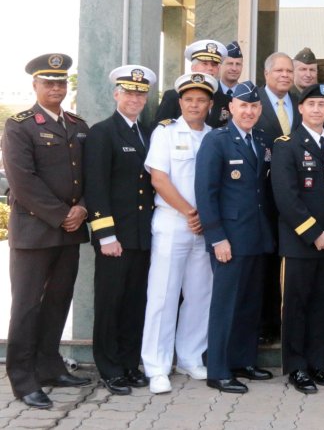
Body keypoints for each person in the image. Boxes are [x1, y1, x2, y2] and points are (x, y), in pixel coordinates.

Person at [3, 53, 91, 409]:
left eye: (60, 82)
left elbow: (89, 174)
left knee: (57, 303)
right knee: (26, 307)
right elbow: (22, 181)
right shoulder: (20, 125)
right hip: (35, 232)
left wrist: (82, 207)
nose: (55, 88)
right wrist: (62, 215)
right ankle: (23, 380)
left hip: (69, 232)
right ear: (36, 85)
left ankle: (50, 366)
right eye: (48, 82)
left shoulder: (78, 125)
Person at [195, 81, 276, 394]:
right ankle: (218, 369)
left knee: (249, 303)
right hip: (229, 238)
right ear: (230, 109)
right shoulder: (217, 141)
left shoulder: (261, 139)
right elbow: (206, 192)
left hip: (256, 236)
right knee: (225, 305)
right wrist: (217, 238)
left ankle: (243, 360)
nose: (250, 111)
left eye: (254, 106)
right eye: (244, 106)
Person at [271, 84, 324, 394]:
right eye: (311, 104)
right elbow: (286, 197)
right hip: (300, 242)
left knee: (323, 305)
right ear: (301, 110)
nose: (317, 109)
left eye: (322, 104)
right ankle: (296, 367)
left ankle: (318, 363)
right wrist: (315, 234)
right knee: (296, 305)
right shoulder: (287, 144)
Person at [141, 73, 218, 394]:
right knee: (163, 295)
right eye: (189, 100)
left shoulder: (216, 136)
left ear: (210, 105)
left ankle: (189, 356)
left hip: (206, 227)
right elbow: (159, 179)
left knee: (201, 295)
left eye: (201, 100)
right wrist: (190, 212)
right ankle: (157, 366)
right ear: (180, 102)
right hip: (174, 222)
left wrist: (206, 219)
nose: (195, 105)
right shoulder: (166, 133)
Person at [84, 64, 157, 395]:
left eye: (140, 93)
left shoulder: (148, 132)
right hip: (116, 237)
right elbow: (96, 186)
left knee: (134, 303)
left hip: (141, 235)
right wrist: (105, 235)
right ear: (116, 94)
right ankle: (109, 367)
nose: (135, 98)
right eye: (129, 92)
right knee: (110, 304)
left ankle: (129, 363)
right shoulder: (102, 132)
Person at [253, 51, 302, 345]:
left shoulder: (299, 103)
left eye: (289, 71)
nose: (285, 75)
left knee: (289, 263)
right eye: (279, 71)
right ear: (266, 73)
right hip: (261, 196)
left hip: (294, 197)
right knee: (264, 264)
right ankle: (263, 324)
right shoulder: (252, 102)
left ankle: (285, 322)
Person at [154, 40, 227, 123]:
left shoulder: (224, 100)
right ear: (193, 68)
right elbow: (159, 129)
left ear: (218, 69)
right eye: (205, 63)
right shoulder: (173, 97)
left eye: (214, 65)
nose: (210, 68)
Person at [209, 40, 244, 128]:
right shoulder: (211, 92)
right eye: (230, 64)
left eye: (238, 64)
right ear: (220, 66)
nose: (234, 68)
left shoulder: (246, 94)